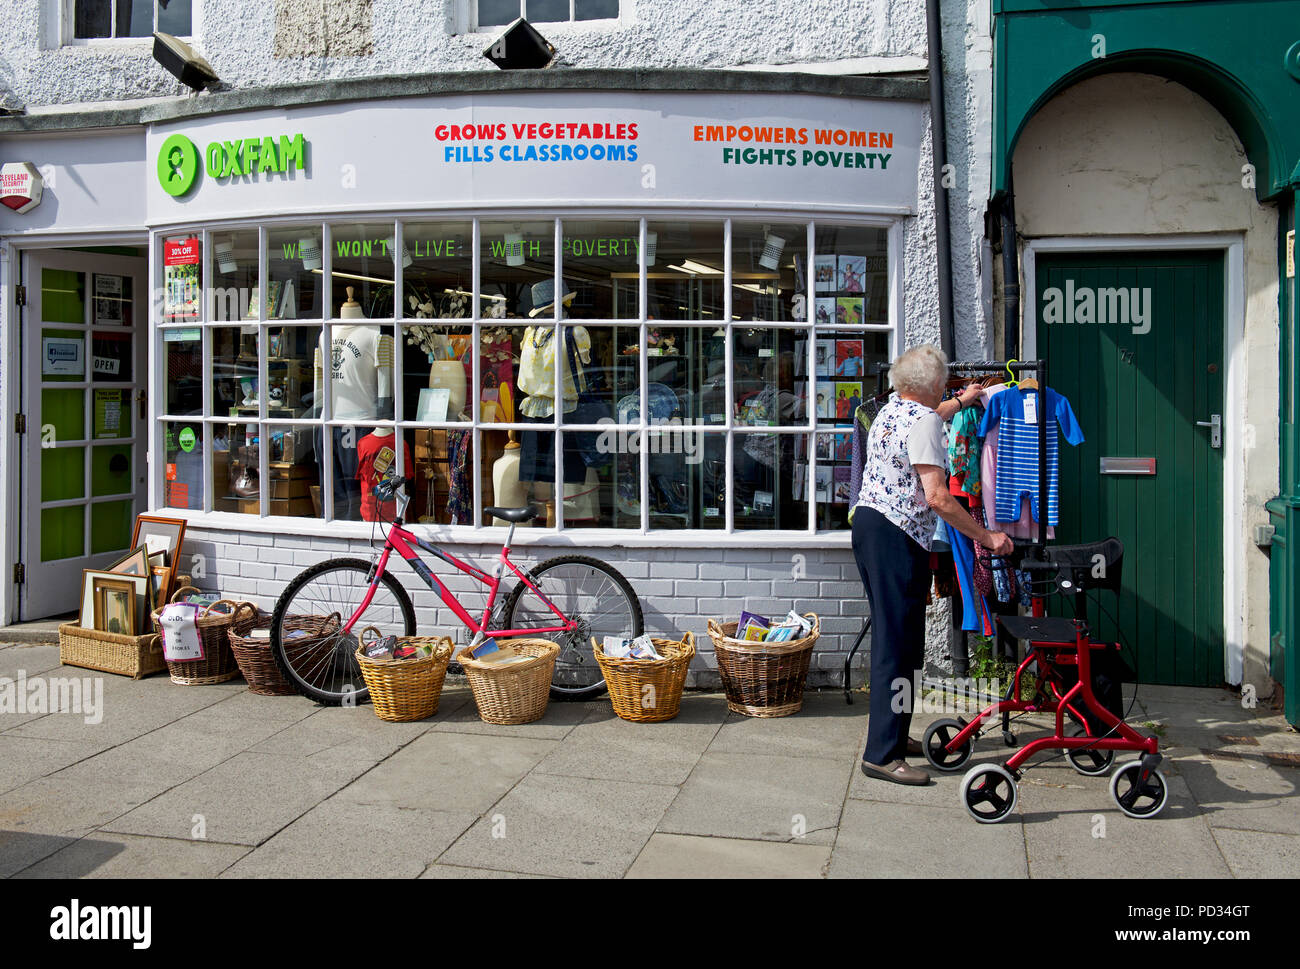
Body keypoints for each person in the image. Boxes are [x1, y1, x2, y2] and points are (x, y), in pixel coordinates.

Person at [853, 344, 1014, 785]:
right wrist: (988, 537)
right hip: (895, 535)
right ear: (931, 384)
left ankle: (895, 733)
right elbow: (938, 497)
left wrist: (964, 400)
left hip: (871, 527)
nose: (947, 386)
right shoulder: (923, 421)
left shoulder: (892, 408)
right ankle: (881, 755)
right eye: (944, 381)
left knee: (905, 640)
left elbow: (934, 414)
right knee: (895, 641)